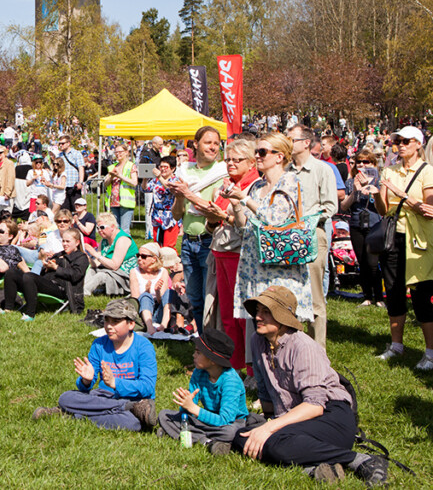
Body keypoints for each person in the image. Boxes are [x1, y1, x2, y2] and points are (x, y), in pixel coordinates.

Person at [222, 285, 389, 487]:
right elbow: (266, 393)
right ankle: (313, 468)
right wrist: (257, 422)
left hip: (330, 414)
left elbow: (315, 405)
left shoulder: (303, 346)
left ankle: (360, 460)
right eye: (257, 311)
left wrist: (269, 427)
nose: (258, 317)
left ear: (283, 318)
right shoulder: (257, 341)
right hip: (294, 418)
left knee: (274, 442)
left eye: (266, 312)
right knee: (242, 435)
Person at [224, 133, 314, 348]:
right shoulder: (257, 186)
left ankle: (286, 369)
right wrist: (236, 203)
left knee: (280, 320)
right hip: (256, 264)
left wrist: (244, 198)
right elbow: (244, 225)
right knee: (260, 319)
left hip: (280, 264)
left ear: (279, 156)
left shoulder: (290, 181)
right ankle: (259, 372)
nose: (257, 156)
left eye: (262, 152)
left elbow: (274, 219)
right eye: (257, 152)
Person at [32, 299, 157, 431]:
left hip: (136, 399)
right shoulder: (99, 344)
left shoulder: (144, 347)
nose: (109, 326)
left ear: (131, 324)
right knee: (66, 398)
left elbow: (147, 387)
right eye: (107, 320)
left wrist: (116, 383)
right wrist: (86, 381)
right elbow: (85, 387)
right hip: (104, 397)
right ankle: (126, 407)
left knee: (132, 424)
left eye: (115, 321)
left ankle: (71, 414)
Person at [373, 125, 433, 370]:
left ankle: (429, 352)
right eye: (397, 140)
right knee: (394, 291)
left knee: (420, 294)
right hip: (393, 238)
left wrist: (403, 195)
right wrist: (376, 191)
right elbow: (383, 210)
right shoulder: (389, 170)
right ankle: (396, 345)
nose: (400, 144)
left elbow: (429, 211)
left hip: (419, 240)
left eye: (406, 140)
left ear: (418, 144)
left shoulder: (428, 172)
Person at [200, 136, 260, 371]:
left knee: (243, 315)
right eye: (228, 160)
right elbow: (215, 224)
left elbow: (247, 223)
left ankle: (253, 368)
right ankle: (234, 366)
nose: (231, 164)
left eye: (237, 160)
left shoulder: (254, 186)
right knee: (226, 314)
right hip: (220, 252)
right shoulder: (225, 185)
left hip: (240, 254)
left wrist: (224, 216)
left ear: (251, 163)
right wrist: (212, 218)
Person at [286, 125, 338, 348]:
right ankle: (294, 350)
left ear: (306, 143)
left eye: (292, 140)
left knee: (314, 296)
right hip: (285, 239)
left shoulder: (322, 169)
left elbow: (330, 206)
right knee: (290, 297)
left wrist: (305, 221)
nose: (288, 144)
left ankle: (318, 352)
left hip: (312, 236)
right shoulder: (284, 170)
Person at [170, 126, 226, 332]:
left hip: (210, 240)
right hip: (188, 242)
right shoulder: (185, 171)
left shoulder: (221, 172)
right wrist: (178, 197)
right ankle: (203, 343)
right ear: (195, 144)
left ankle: (212, 345)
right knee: (195, 298)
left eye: (216, 143)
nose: (213, 147)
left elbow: (216, 208)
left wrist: (188, 193)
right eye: (208, 142)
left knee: (210, 297)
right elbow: (177, 214)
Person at [157, 328, 250, 447]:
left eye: (198, 352)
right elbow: (188, 412)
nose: (193, 355)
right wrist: (186, 404)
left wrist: (193, 408)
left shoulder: (231, 381)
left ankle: (183, 434)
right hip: (206, 418)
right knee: (164, 415)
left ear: (212, 360)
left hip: (231, 422)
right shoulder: (199, 372)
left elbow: (225, 420)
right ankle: (208, 442)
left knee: (231, 432)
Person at [2, 228, 88, 319]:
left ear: (77, 242)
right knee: (11, 272)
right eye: (63, 241)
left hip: (62, 288)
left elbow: (76, 275)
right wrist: (46, 266)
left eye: (68, 241)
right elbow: (45, 271)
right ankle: (8, 309)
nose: (65, 244)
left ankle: (30, 314)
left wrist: (56, 268)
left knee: (29, 276)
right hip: (47, 283)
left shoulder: (81, 257)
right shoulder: (59, 254)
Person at [340, 147, 383, 307]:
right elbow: (344, 206)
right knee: (362, 262)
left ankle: (379, 297)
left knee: (373, 263)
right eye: (359, 162)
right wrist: (355, 192)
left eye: (366, 162)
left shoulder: (378, 182)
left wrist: (372, 191)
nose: (362, 165)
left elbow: (381, 208)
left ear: (373, 163)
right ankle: (367, 296)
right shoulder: (351, 182)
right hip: (356, 224)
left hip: (375, 223)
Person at [84, 212, 137, 297]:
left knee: (101, 275)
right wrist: (88, 258)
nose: (99, 231)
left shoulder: (122, 239)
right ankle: (80, 291)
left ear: (112, 227)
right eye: (97, 228)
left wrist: (95, 254)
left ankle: (82, 294)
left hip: (124, 275)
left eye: (102, 227)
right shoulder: (104, 240)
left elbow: (115, 265)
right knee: (91, 270)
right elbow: (97, 264)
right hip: (110, 271)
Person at [130, 242, 170, 335]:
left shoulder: (163, 271)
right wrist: (146, 291)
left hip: (159, 311)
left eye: (143, 256)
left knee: (169, 293)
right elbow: (135, 299)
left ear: (153, 259)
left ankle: (164, 324)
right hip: (143, 312)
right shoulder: (134, 272)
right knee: (145, 296)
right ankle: (149, 327)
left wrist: (157, 292)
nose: (139, 258)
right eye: (138, 255)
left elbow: (162, 301)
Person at [145, 156, 180, 248]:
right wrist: (144, 178)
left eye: (166, 167)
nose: (163, 169)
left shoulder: (176, 181)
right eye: (161, 167)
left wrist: (160, 177)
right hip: (156, 215)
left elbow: (170, 189)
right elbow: (146, 189)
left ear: (173, 169)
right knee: (157, 245)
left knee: (168, 246)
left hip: (170, 216)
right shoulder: (156, 180)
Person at [104, 144, 137, 232]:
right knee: (115, 229)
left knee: (124, 229)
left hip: (126, 202)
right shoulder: (112, 167)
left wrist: (120, 176)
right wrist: (111, 177)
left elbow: (134, 182)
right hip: (113, 202)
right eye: (116, 152)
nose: (118, 154)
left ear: (126, 152)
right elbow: (105, 184)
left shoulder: (131, 166)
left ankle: (126, 245)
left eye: (120, 152)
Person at [57, 134, 85, 212]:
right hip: (63, 187)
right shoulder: (59, 155)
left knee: (77, 209)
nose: (61, 145)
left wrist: (80, 182)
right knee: (64, 211)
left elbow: (81, 168)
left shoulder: (76, 153)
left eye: (62, 143)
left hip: (74, 186)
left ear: (68, 143)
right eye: (59, 143)